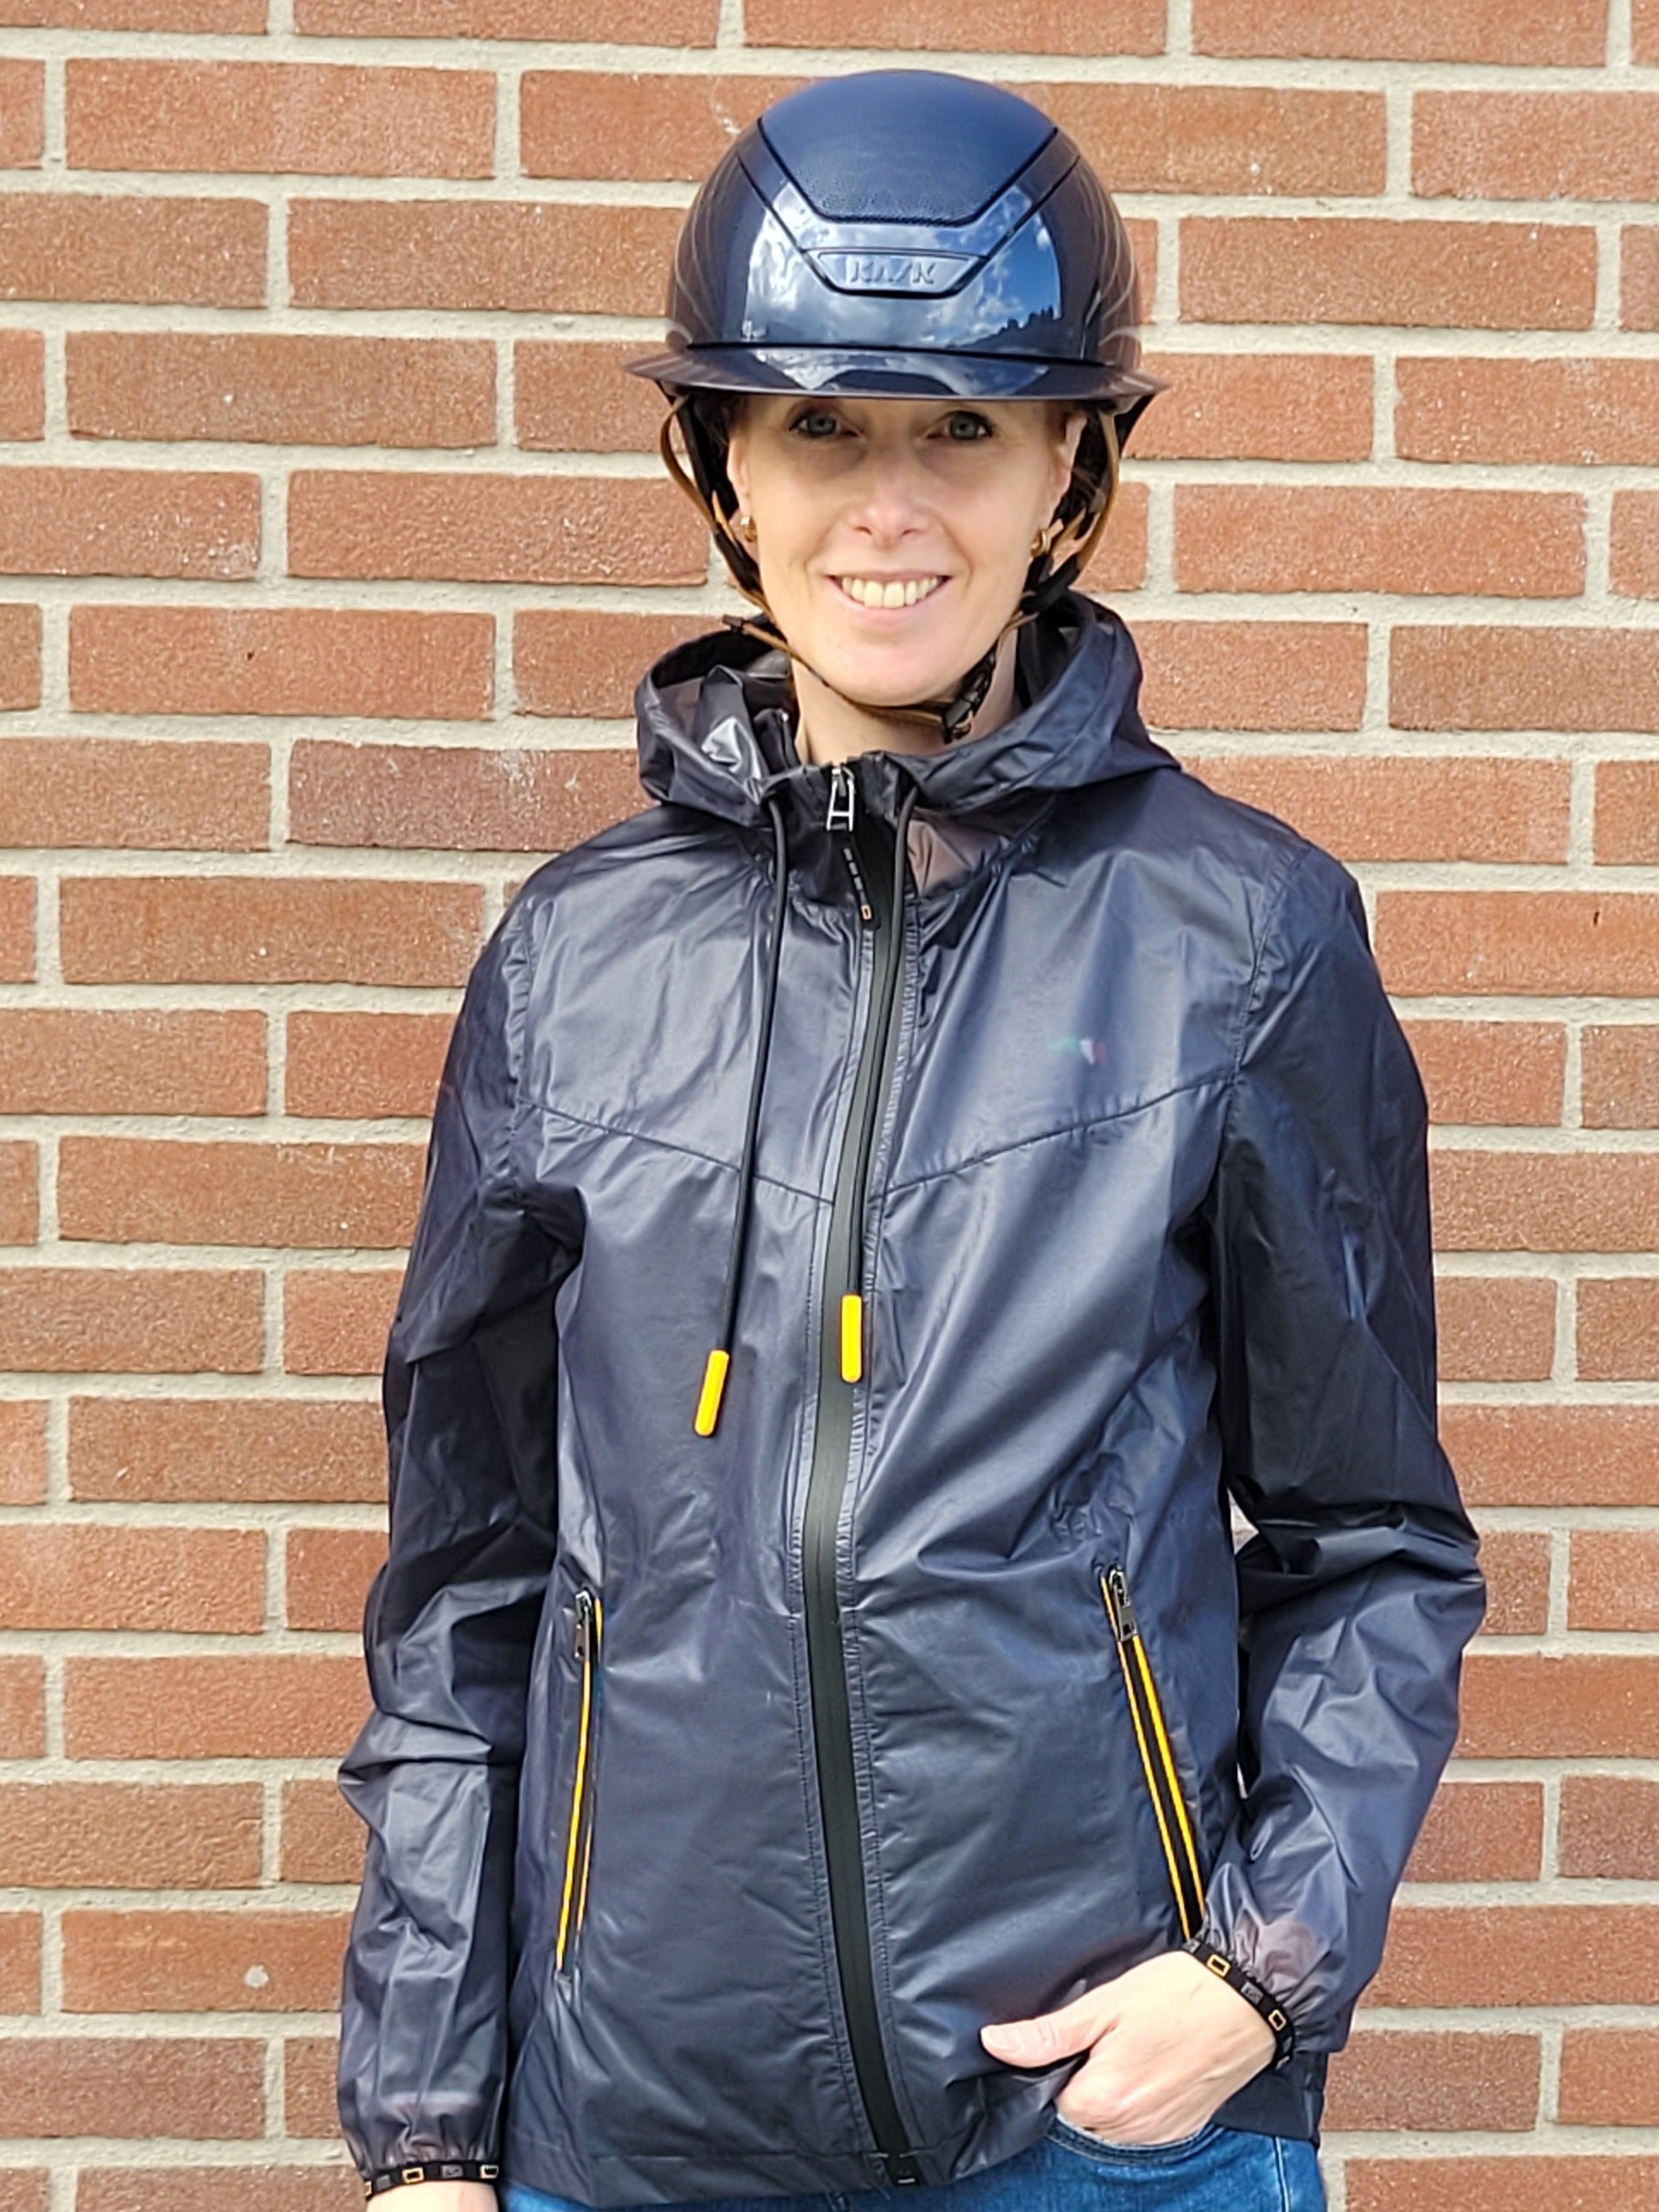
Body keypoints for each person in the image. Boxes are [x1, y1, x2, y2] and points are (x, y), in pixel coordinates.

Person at [335, 69, 1485, 2212]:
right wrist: (423, 2128)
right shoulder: (570, 963)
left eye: (960, 426)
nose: (889, 508)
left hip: (1100, 2127)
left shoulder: (1237, 936)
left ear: (1067, 473)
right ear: (719, 466)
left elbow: (1371, 1542)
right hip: (634, 2131)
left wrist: (1257, 1974)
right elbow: (467, 1583)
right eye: (820, 427)